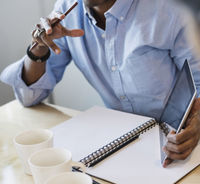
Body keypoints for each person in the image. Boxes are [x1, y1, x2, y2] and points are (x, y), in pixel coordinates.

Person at [1, 0, 200, 167]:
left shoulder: (171, 10)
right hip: (121, 144)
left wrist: (197, 123)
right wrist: (38, 49)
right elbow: (29, 97)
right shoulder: (67, 10)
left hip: (176, 141)